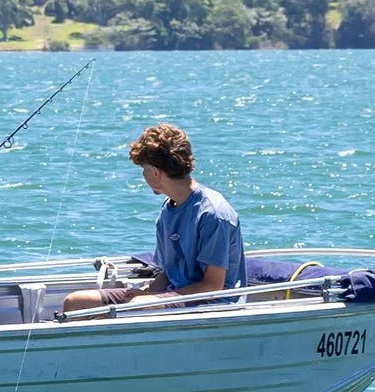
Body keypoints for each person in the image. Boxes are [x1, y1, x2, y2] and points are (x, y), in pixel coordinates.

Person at [63, 123, 244, 314]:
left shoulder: (213, 213)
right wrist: (147, 292)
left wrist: (149, 299)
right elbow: (171, 271)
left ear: (156, 172)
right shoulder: (169, 208)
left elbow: (212, 286)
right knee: (76, 302)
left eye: (143, 169)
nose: (143, 175)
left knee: (138, 306)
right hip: (172, 294)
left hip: (210, 302)